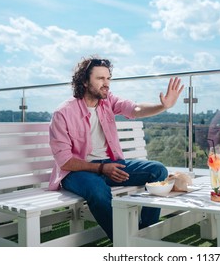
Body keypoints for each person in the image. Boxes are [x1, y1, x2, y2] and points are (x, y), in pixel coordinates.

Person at [48, 56, 184, 242]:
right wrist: (101, 168)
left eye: (108, 78)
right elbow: (64, 161)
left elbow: (134, 109)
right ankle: (124, 241)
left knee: (157, 170)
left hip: (111, 166)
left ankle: (143, 233)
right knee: (97, 189)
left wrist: (163, 106)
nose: (107, 84)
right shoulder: (63, 113)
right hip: (76, 171)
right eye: (100, 79)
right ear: (85, 82)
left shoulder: (108, 101)